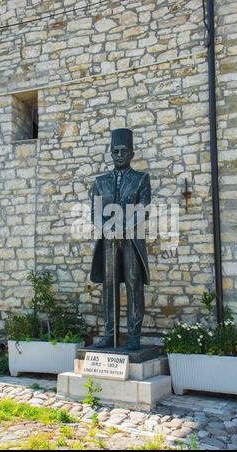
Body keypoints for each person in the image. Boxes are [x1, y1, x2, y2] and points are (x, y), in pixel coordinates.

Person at [90, 128, 151, 350]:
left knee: (134, 285)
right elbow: (95, 212)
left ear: (132, 153)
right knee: (109, 286)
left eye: (123, 151)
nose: (119, 155)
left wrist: (122, 228)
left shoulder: (141, 179)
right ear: (110, 153)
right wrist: (107, 228)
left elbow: (143, 208)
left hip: (132, 240)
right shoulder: (100, 181)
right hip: (108, 240)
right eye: (115, 151)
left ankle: (134, 335)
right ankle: (110, 334)